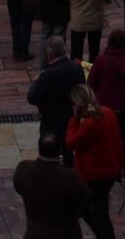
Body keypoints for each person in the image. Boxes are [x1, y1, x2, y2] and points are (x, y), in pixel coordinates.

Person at [66, 85, 122, 239]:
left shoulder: (88, 124)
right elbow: (117, 141)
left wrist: (74, 119)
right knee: (97, 211)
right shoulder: (108, 113)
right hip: (108, 169)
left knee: (98, 214)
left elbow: (70, 142)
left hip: (94, 175)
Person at [13, 133, 91, 239]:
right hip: (66, 233)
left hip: (35, 233)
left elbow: (18, 187)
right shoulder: (68, 176)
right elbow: (85, 198)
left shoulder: (24, 168)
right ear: (59, 151)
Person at [88, 29, 125, 179]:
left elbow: (91, 82)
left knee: (105, 136)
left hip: (105, 106)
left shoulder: (101, 60)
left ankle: (108, 165)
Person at [28, 36, 86, 167]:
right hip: (71, 118)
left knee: (47, 153)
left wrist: (36, 81)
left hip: (51, 121)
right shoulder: (76, 68)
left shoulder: (47, 75)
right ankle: (68, 174)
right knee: (68, 151)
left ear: (49, 54)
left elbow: (32, 97)